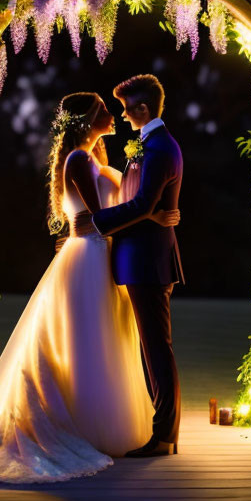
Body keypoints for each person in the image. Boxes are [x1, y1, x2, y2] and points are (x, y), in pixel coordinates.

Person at [0, 91, 179, 485]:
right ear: (86, 121)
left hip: (103, 256)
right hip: (89, 256)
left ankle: (109, 423)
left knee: (107, 340)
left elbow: (115, 209)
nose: (113, 115)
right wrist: (153, 214)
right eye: (105, 111)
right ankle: (85, 426)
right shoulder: (78, 159)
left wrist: (148, 208)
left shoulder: (96, 159)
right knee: (90, 341)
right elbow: (95, 219)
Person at [73, 74, 184, 457]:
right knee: (151, 349)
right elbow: (145, 204)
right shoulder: (148, 145)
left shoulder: (159, 149)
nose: (121, 114)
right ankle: (163, 432)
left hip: (148, 261)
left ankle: (165, 436)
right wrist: (154, 214)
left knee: (157, 349)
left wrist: (98, 222)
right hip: (137, 257)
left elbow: (143, 204)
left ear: (142, 109)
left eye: (125, 108)